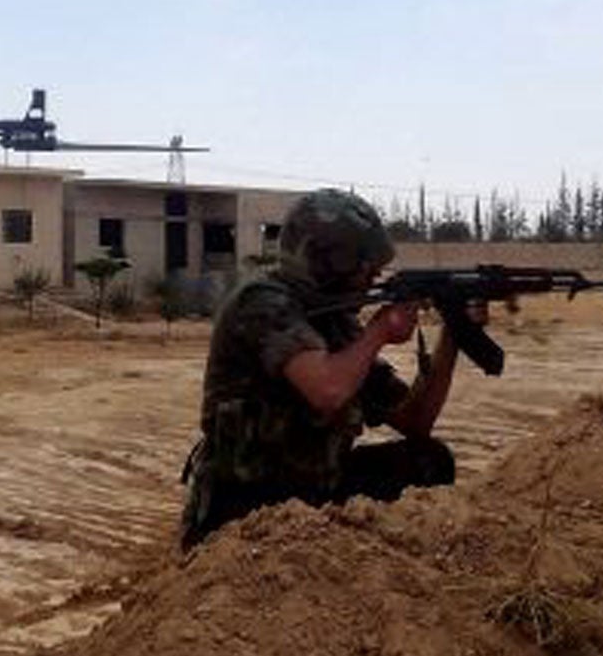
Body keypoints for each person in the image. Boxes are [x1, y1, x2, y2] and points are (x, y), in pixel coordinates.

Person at [179, 188, 483, 548]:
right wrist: (380, 331)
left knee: (429, 461)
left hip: (313, 490)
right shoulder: (261, 303)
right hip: (244, 502)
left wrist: (454, 332)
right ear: (328, 263)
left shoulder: (336, 322)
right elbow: (328, 391)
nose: (373, 278)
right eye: (364, 267)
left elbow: (415, 421)